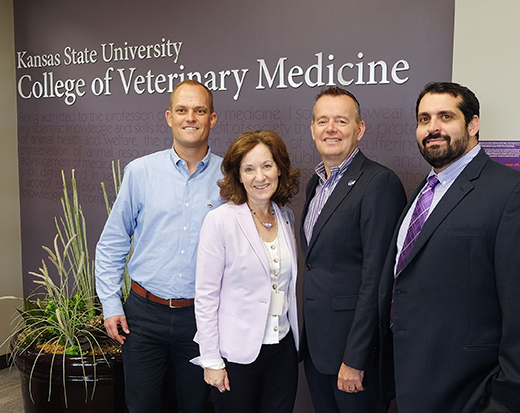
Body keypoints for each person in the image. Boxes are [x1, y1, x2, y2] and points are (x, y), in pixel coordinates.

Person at [378, 82, 520, 413]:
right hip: (410, 383)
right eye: (424, 119)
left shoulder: (508, 192)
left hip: (472, 393)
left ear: (473, 124)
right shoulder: (422, 193)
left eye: (445, 116)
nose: (433, 128)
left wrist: (502, 401)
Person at [95, 79, 222, 413]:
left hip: (201, 318)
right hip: (143, 315)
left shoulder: (230, 177)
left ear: (213, 119)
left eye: (199, 110)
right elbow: (112, 243)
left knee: (195, 406)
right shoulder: (140, 172)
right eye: (182, 110)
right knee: (141, 406)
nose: (190, 118)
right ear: (169, 117)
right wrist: (110, 304)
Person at [300, 86, 406, 413]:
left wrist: (355, 358)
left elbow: (377, 279)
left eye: (341, 121)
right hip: (317, 350)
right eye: (322, 121)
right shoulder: (315, 184)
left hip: (353, 357)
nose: (330, 129)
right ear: (313, 129)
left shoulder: (379, 183)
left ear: (359, 129)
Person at [191, 130, 300, 413]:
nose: (260, 177)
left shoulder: (286, 217)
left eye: (267, 166)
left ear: (279, 169)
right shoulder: (220, 221)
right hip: (236, 356)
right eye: (249, 169)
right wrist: (211, 360)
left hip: (282, 351)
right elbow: (205, 296)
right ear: (238, 176)